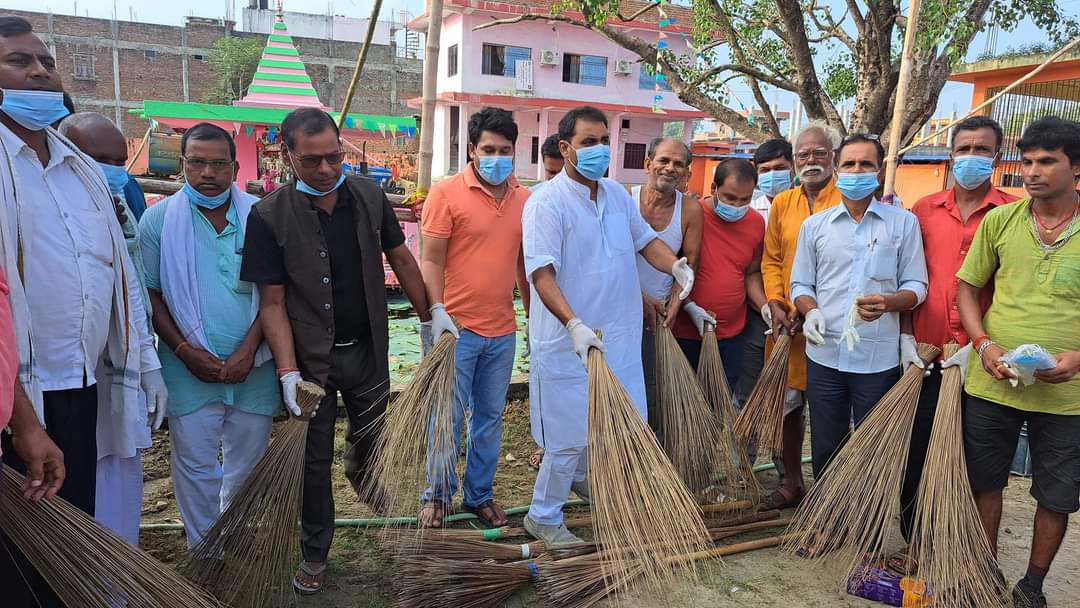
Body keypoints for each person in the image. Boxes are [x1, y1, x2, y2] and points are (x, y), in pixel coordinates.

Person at [0, 16, 165, 606]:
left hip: (82, 384)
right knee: (18, 558)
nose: (40, 71)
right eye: (20, 61)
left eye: (45, 62)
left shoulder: (80, 170)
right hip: (14, 400)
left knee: (70, 537)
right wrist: (21, 421)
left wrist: (139, 360)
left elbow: (118, 274)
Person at [240, 107, 430, 595]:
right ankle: (316, 548)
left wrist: (433, 313)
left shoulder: (368, 195)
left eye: (334, 157)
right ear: (287, 154)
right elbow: (274, 301)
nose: (326, 170)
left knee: (371, 436)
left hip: (367, 349)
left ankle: (362, 471)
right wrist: (287, 372)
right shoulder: (268, 216)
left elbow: (401, 255)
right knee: (311, 460)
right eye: (312, 161)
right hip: (311, 362)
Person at [522, 106, 695, 547]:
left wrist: (676, 267)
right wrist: (574, 324)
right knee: (565, 436)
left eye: (605, 141)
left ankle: (600, 490)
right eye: (589, 143)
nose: (600, 150)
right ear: (566, 149)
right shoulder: (545, 201)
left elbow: (645, 242)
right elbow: (541, 273)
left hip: (618, 339)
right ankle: (543, 516)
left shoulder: (617, 194)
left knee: (623, 426)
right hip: (568, 342)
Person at [955, 116, 1080, 608]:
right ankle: (984, 572)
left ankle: (1031, 585)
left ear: (1076, 168)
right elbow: (967, 288)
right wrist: (984, 345)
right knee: (985, 479)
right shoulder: (1000, 221)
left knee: (1056, 495)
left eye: (1047, 161)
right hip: (994, 381)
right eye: (1026, 161)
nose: (1032, 171)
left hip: (1067, 393)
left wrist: (1078, 359)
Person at [139, 123, 280, 552]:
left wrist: (249, 349)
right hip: (186, 367)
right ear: (182, 164)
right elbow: (151, 293)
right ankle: (204, 548)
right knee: (195, 463)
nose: (208, 173)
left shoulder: (262, 216)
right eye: (197, 162)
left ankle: (230, 534)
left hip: (253, 366)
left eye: (219, 164)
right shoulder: (158, 220)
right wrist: (184, 351)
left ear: (235, 167)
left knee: (247, 464)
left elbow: (277, 293)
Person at [889, 116, 1019, 572]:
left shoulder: (1011, 214)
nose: (971, 158)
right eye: (963, 148)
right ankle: (916, 542)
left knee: (973, 459)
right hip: (924, 354)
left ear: (997, 158)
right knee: (918, 450)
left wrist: (978, 342)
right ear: (949, 154)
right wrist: (907, 335)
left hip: (982, 357)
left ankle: (962, 548)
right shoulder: (922, 210)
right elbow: (907, 276)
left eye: (982, 150)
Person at [791, 134, 928, 479]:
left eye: (866, 164)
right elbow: (800, 284)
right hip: (824, 354)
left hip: (877, 358)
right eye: (849, 164)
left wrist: (889, 303)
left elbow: (917, 285)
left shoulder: (903, 223)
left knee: (873, 445)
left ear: (879, 172)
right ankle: (826, 521)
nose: (857, 171)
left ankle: (866, 524)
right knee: (826, 445)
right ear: (836, 170)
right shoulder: (815, 227)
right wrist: (811, 311)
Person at [418, 107, 530, 529]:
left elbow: (524, 266)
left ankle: (479, 494)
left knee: (489, 418)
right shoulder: (445, 193)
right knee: (445, 417)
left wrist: (533, 316)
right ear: (471, 150)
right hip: (454, 330)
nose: (497, 157)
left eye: (505, 150)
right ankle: (438, 495)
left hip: (502, 331)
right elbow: (430, 260)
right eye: (489, 149)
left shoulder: (524, 199)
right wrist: (437, 312)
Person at [58, 111, 157, 544]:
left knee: (120, 467)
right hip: (63, 376)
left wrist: (147, 360)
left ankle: (120, 568)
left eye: (120, 161)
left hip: (118, 366)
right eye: (98, 159)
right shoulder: (43, 213)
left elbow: (131, 288)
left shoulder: (120, 208)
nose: (113, 171)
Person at [758, 123, 842, 509]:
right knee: (789, 411)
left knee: (831, 416)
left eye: (819, 154)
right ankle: (792, 482)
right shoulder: (782, 203)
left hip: (834, 328)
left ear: (833, 157)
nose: (811, 161)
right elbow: (771, 260)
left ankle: (830, 494)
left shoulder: (849, 198)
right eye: (804, 155)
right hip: (787, 328)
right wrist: (776, 302)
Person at [674, 159, 765, 388]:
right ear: (713, 188)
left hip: (732, 335)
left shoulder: (756, 222)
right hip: (686, 333)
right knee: (684, 408)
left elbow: (751, 272)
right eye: (730, 198)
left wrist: (764, 305)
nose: (736, 206)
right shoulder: (690, 214)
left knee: (721, 404)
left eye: (745, 199)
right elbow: (671, 270)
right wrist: (689, 306)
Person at [634, 136, 702, 434]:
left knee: (653, 386)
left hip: (658, 316)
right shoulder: (625, 199)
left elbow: (688, 264)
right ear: (648, 164)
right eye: (663, 160)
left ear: (687, 172)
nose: (669, 168)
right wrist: (640, 298)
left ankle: (652, 455)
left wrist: (675, 303)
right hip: (621, 306)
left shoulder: (689, 211)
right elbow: (609, 261)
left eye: (678, 164)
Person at [738, 139, 794, 432]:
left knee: (790, 397)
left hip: (800, 316)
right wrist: (765, 307)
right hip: (759, 315)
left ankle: (785, 466)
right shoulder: (749, 211)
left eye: (780, 168)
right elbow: (750, 269)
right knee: (749, 390)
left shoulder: (804, 208)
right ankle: (743, 464)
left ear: (792, 168)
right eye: (766, 170)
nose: (773, 175)